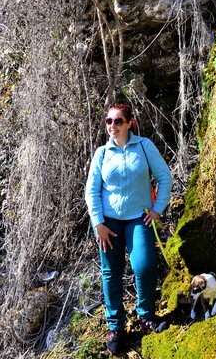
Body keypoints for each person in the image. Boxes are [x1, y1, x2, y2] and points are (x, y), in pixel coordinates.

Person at [85, 102, 173, 356]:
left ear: (129, 123)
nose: (112, 126)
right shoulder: (102, 153)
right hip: (108, 223)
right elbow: (91, 191)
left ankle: (146, 315)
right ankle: (116, 328)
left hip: (139, 218)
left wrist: (158, 208)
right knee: (111, 272)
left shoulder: (144, 147)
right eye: (109, 121)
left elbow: (164, 177)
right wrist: (98, 224)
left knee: (144, 265)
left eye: (118, 121)